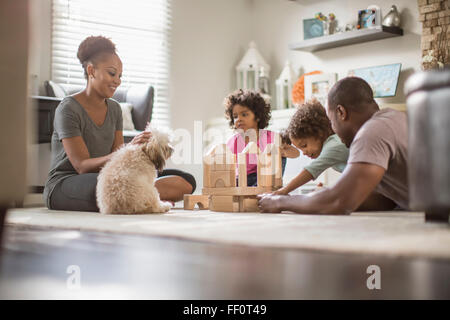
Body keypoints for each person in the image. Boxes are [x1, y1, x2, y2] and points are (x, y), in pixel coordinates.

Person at [43, 36, 196, 212]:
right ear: (91, 70)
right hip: (67, 181)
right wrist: (128, 148)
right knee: (114, 188)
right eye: (112, 73)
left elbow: (117, 160)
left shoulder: (115, 109)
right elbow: (82, 166)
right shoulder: (68, 108)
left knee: (186, 181)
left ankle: (140, 192)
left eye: (120, 76)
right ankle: (142, 193)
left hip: (108, 175)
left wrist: (139, 150)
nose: (117, 80)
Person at [257, 77, 409, 214]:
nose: (332, 129)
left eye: (331, 121)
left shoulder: (372, 132)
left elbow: (338, 202)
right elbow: (382, 200)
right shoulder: (396, 118)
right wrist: (320, 196)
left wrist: (280, 201)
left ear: (341, 112)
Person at [272, 99, 349, 196]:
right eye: (301, 149)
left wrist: (283, 191)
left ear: (319, 133)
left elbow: (310, 171)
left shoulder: (335, 145)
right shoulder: (334, 142)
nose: (304, 153)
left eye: (304, 145)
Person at [224, 89, 299, 186]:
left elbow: (296, 153)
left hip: (265, 177)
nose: (239, 119)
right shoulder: (233, 141)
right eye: (235, 116)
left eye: (244, 114)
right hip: (242, 180)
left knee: (278, 155)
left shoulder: (270, 137)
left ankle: (269, 188)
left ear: (258, 116)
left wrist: (282, 152)